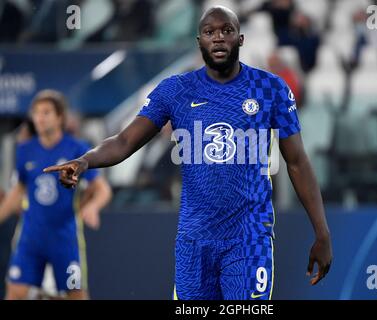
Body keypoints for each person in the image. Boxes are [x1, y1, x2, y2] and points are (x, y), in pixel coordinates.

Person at [44, 6, 332, 300]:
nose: (218, 38)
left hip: (249, 238)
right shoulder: (176, 90)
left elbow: (297, 162)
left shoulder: (270, 89)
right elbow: (124, 141)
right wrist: (85, 160)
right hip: (194, 242)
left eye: (226, 31)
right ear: (199, 42)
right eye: (209, 32)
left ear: (241, 39)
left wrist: (322, 232)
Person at [0, 89, 112, 300]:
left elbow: (102, 188)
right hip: (31, 235)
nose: (39, 118)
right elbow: (19, 190)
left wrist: (92, 207)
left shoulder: (77, 148)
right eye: (36, 112)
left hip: (64, 237)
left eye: (46, 112)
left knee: (76, 294)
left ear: (60, 116)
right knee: (14, 292)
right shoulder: (25, 150)